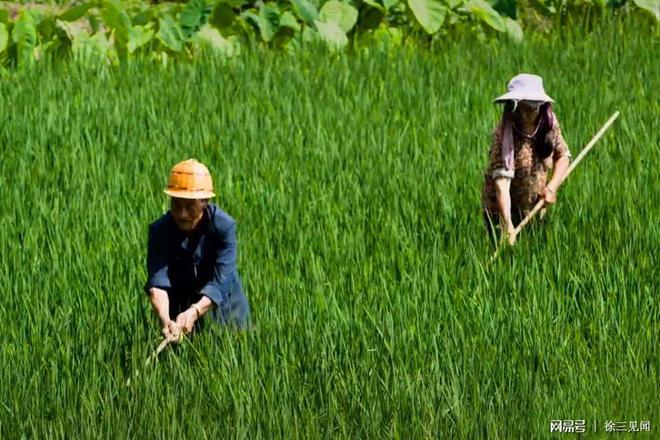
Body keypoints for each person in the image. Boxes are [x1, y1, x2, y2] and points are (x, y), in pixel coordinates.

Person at [145, 159, 250, 342]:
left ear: (205, 202)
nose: (182, 214)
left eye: (190, 206)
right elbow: (157, 285)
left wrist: (195, 311)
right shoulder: (160, 231)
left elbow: (221, 280)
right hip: (180, 309)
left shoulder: (224, 228)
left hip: (225, 307)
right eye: (176, 205)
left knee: (234, 351)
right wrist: (165, 319)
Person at [482, 73, 572, 246]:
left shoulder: (549, 125)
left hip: (536, 209)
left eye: (530, 107)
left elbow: (563, 156)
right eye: (519, 107)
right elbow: (502, 185)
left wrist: (551, 188)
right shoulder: (504, 134)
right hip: (501, 211)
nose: (524, 114)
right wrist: (506, 224)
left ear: (540, 105)